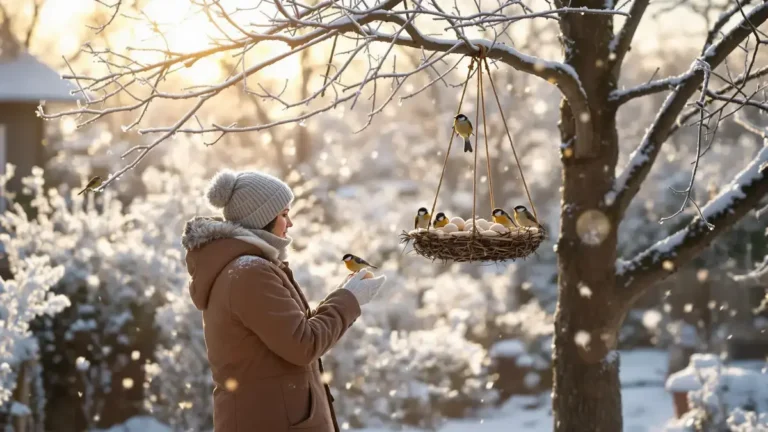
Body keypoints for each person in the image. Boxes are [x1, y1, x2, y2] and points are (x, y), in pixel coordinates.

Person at [181, 169, 387, 432]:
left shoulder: (249, 267)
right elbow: (303, 344)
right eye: (284, 214)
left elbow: (293, 332)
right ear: (263, 218)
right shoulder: (249, 273)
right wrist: (349, 301)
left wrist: (344, 294)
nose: (290, 224)